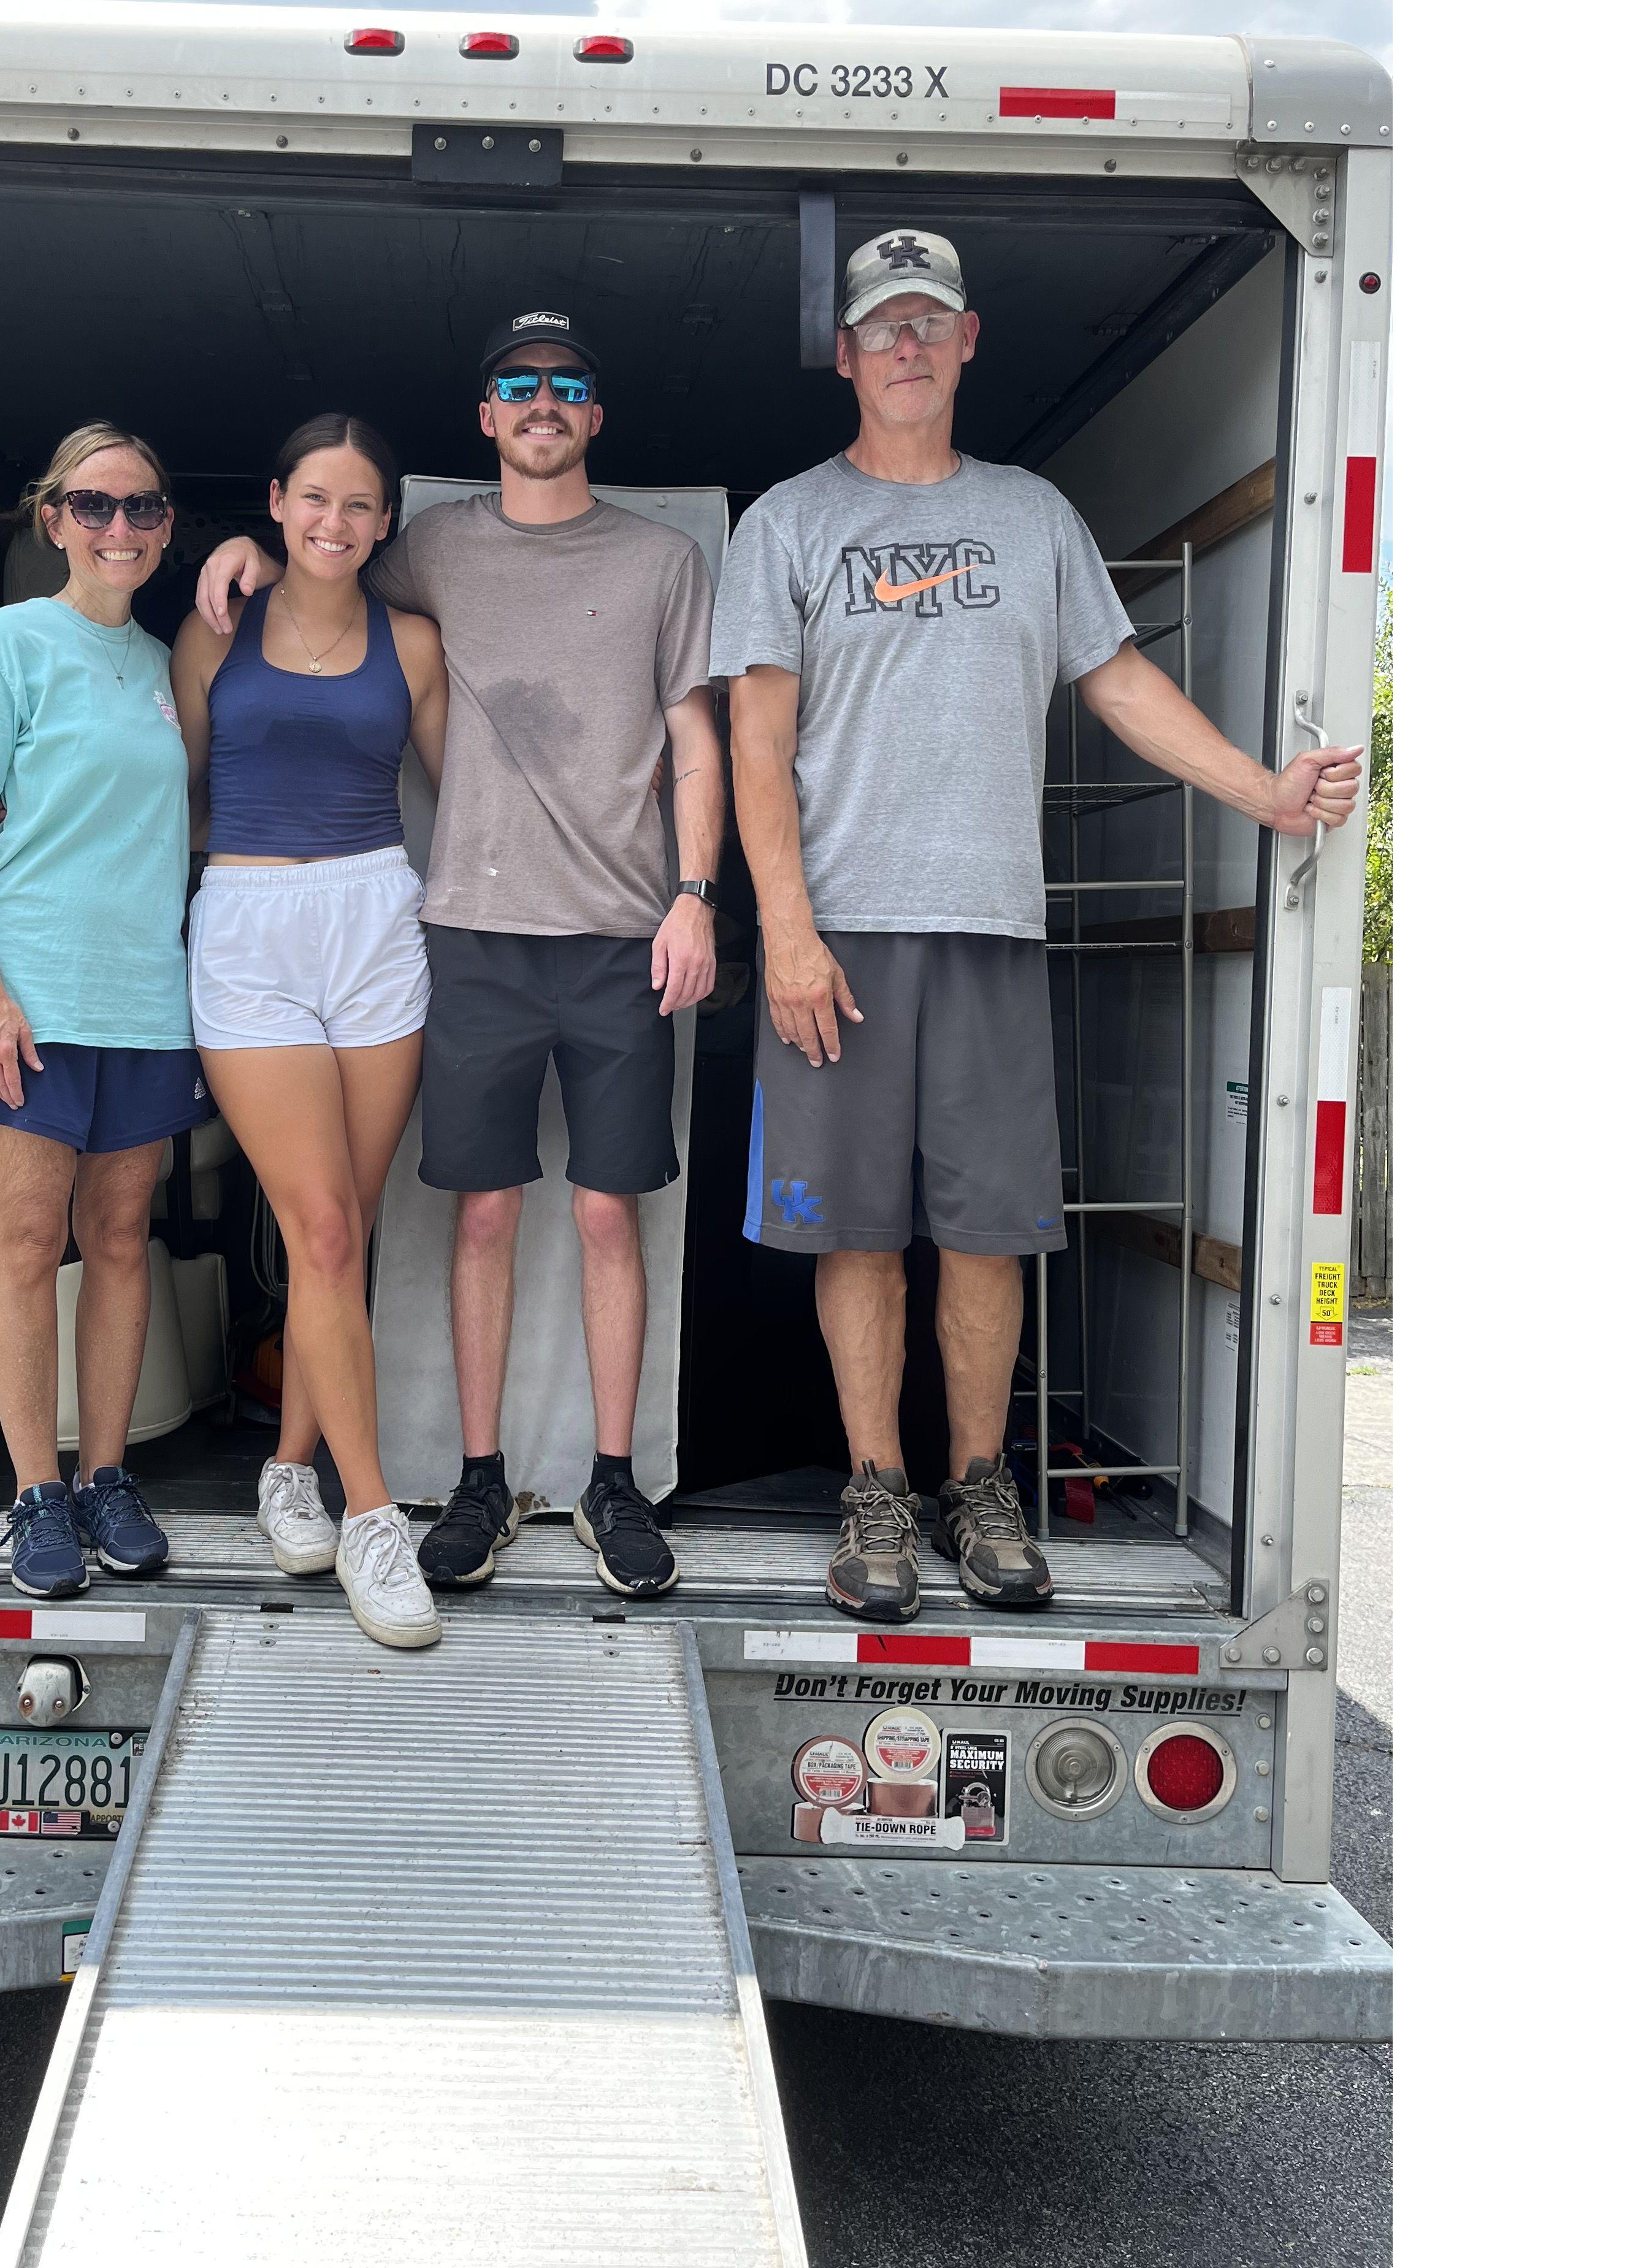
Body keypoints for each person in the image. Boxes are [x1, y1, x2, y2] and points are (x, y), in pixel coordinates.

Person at [717, 229, 1363, 1620]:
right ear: (844, 355)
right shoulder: (786, 522)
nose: (904, 347)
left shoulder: (1033, 516)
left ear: (968, 343)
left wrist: (1267, 791)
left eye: (927, 325)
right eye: (881, 327)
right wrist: (784, 928)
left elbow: (1120, 682)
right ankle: (876, 1493)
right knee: (860, 1238)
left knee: (991, 1231)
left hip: (993, 932)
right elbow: (755, 746)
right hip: (844, 935)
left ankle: (981, 1487)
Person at [197, 313, 723, 1600]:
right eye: (518, 386)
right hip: (466, 935)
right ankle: (474, 1481)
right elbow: (322, 574)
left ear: (595, 414)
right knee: (473, 1214)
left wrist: (698, 894)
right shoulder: (430, 548)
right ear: (486, 417)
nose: (543, 402)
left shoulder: (664, 561)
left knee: (607, 1215)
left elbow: (700, 741)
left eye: (567, 384)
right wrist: (241, 554)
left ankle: (613, 1481)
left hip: (615, 932)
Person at [170, 415, 451, 1649]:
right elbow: (161, 787)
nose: (334, 523)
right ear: (277, 502)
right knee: (325, 1229)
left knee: (340, 1233)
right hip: (249, 920)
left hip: (378, 916)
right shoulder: (215, 625)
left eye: (359, 505)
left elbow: (472, 804)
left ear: (385, 522)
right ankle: (373, 1520)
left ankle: (290, 1468)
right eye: (313, 499)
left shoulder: (417, 645)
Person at [0, 422, 212, 1599]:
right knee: (31, 1245)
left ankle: (108, 1479)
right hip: (25, 999)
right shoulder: (10, 641)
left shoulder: (163, 665)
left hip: (144, 998)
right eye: (94, 507)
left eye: (143, 509)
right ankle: (36, 1494)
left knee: (123, 1243)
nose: (120, 528)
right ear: (53, 520)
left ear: (165, 528)